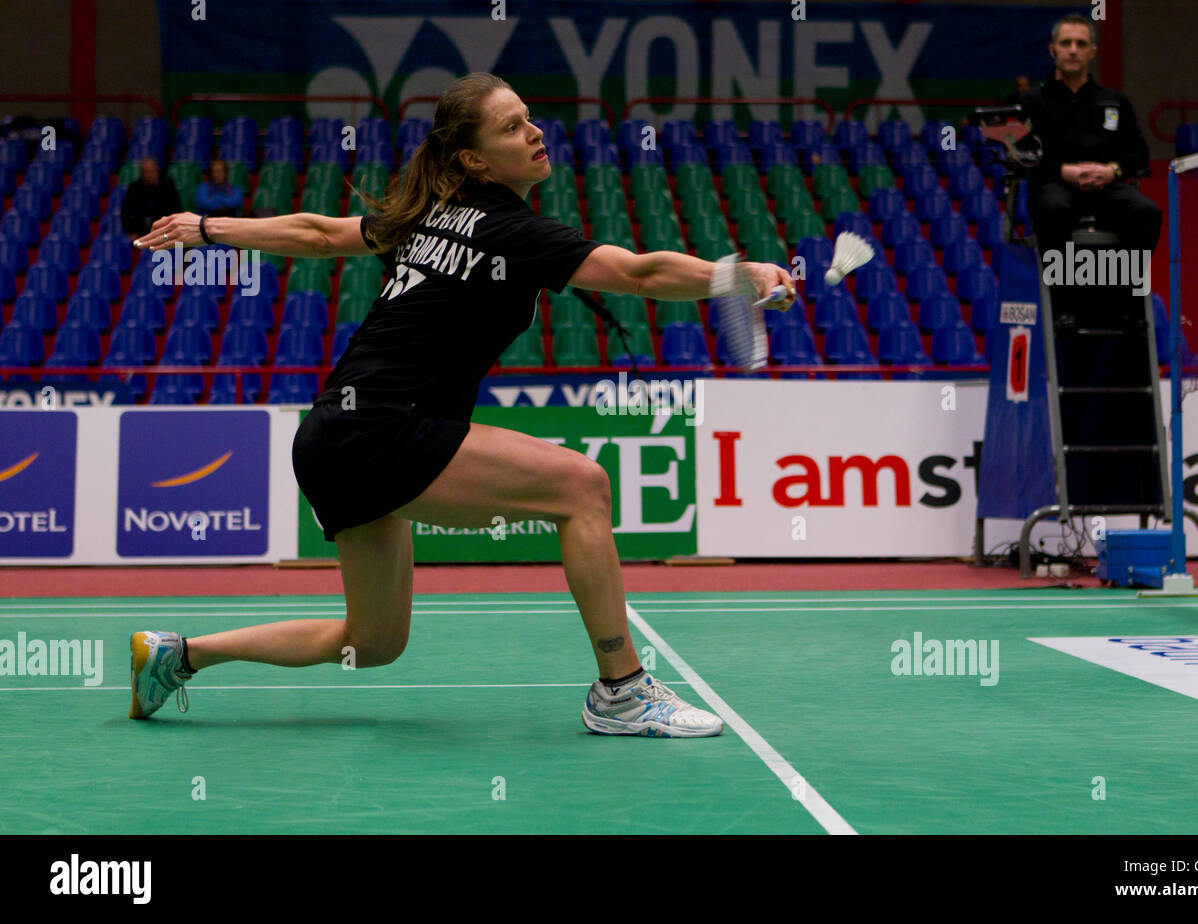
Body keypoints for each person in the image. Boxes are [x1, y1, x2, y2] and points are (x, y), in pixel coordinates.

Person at [126, 72, 795, 738]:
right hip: (381, 428)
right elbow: (637, 272)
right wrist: (734, 275)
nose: (533, 132)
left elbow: (322, 233)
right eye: (511, 126)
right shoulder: (511, 230)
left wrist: (208, 227)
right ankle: (621, 691)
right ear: (472, 159)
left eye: (529, 118)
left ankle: (178, 656)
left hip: (335, 433)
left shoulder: (428, 216)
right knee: (582, 487)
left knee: (373, 642)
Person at [1016, 14, 1162, 256]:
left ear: (1092, 51)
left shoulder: (1115, 101)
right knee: (1053, 210)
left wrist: (1112, 171)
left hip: (1106, 189)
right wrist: (1063, 171)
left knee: (1146, 212)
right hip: (1055, 188)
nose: (1073, 50)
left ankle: (1125, 288)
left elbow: (1140, 153)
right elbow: (1021, 155)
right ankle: (1063, 291)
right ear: (1053, 50)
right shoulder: (1031, 102)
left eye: (1081, 44)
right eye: (1066, 43)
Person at [120, 157, 181, 239]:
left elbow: (176, 209)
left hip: (164, 228)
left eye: (151, 171)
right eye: (145, 172)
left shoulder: (168, 185)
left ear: (157, 170)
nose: (149, 175)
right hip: (140, 230)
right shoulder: (134, 188)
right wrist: (131, 231)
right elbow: (125, 212)